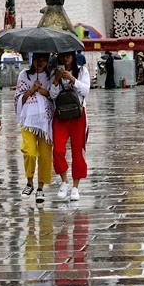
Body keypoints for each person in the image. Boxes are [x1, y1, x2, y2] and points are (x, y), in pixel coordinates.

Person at [49, 51, 90, 201]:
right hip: (60, 115)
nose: (65, 59)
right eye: (62, 56)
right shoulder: (54, 72)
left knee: (78, 150)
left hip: (78, 115)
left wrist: (73, 79)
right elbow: (52, 95)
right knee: (58, 149)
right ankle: (64, 181)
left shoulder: (82, 71)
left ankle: (75, 187)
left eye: (68, 56)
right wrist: (56, 79)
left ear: (73, 57)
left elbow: (86, 91)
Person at [16, 53, 54, 202]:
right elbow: (19, 98)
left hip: (46, 121)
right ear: (33, 59)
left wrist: (43, 91)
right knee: (29, 151)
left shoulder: (51, 76)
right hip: (28, 120)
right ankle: (29, 182)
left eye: (44, 60)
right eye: (38, 59)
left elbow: (54, 95)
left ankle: (40, 188)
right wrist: (32, 89)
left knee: (45, 156)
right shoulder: (23, 75)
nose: (41, 63)